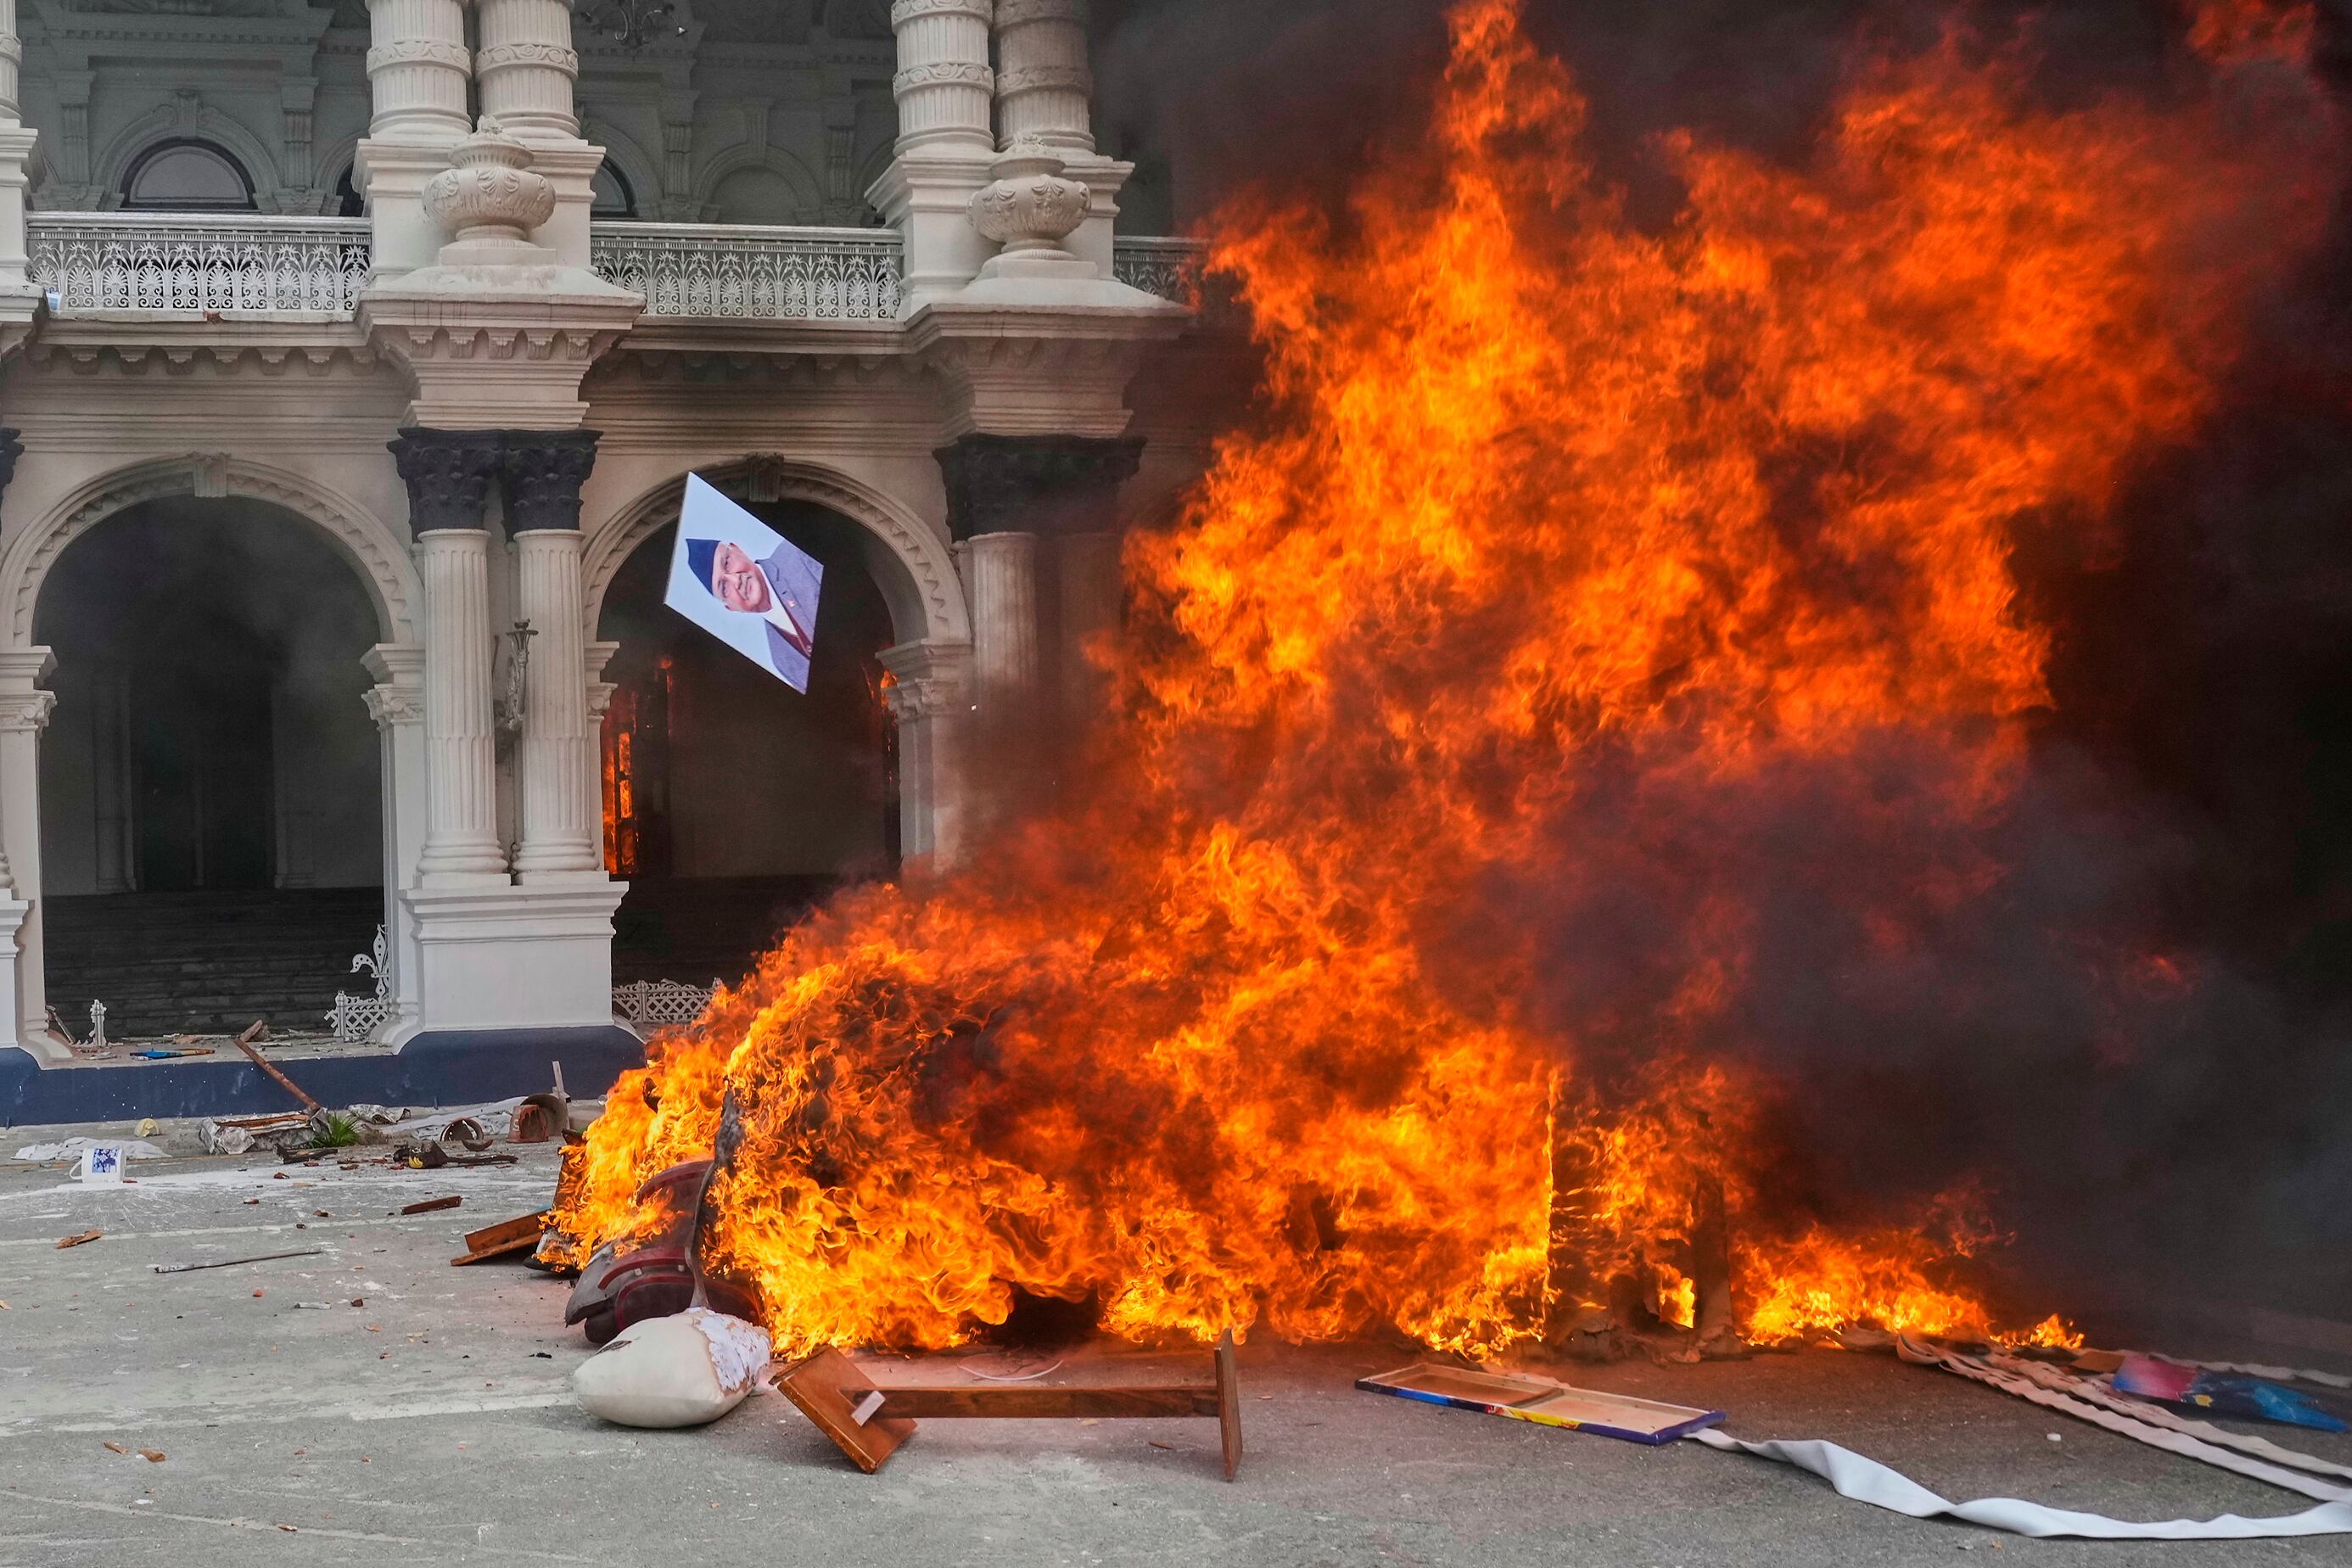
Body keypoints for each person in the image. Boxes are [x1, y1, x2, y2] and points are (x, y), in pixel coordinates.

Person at [685, 536, 820, 678]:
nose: (736, 581)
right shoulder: (781, 660)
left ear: (738, 549)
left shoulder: (799, 554)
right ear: (731, 608)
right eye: (724, 587)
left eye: (727, 562)